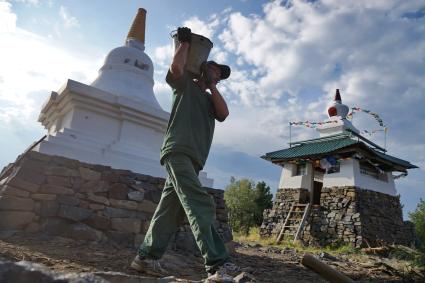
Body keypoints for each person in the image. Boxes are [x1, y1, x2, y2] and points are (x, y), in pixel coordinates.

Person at [130, 27, 239, 279]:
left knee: (170, 210)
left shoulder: (211, 100)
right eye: (214, 69)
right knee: (199, 202)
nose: (217, 74)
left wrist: (213, 86)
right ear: (201, 66)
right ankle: (218, 264)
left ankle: (145, 257)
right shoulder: (184, 86)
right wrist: (186, 44)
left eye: (220, 74)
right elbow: (177, 68)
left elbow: (223, 114)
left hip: (194, 160)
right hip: (177, 150)